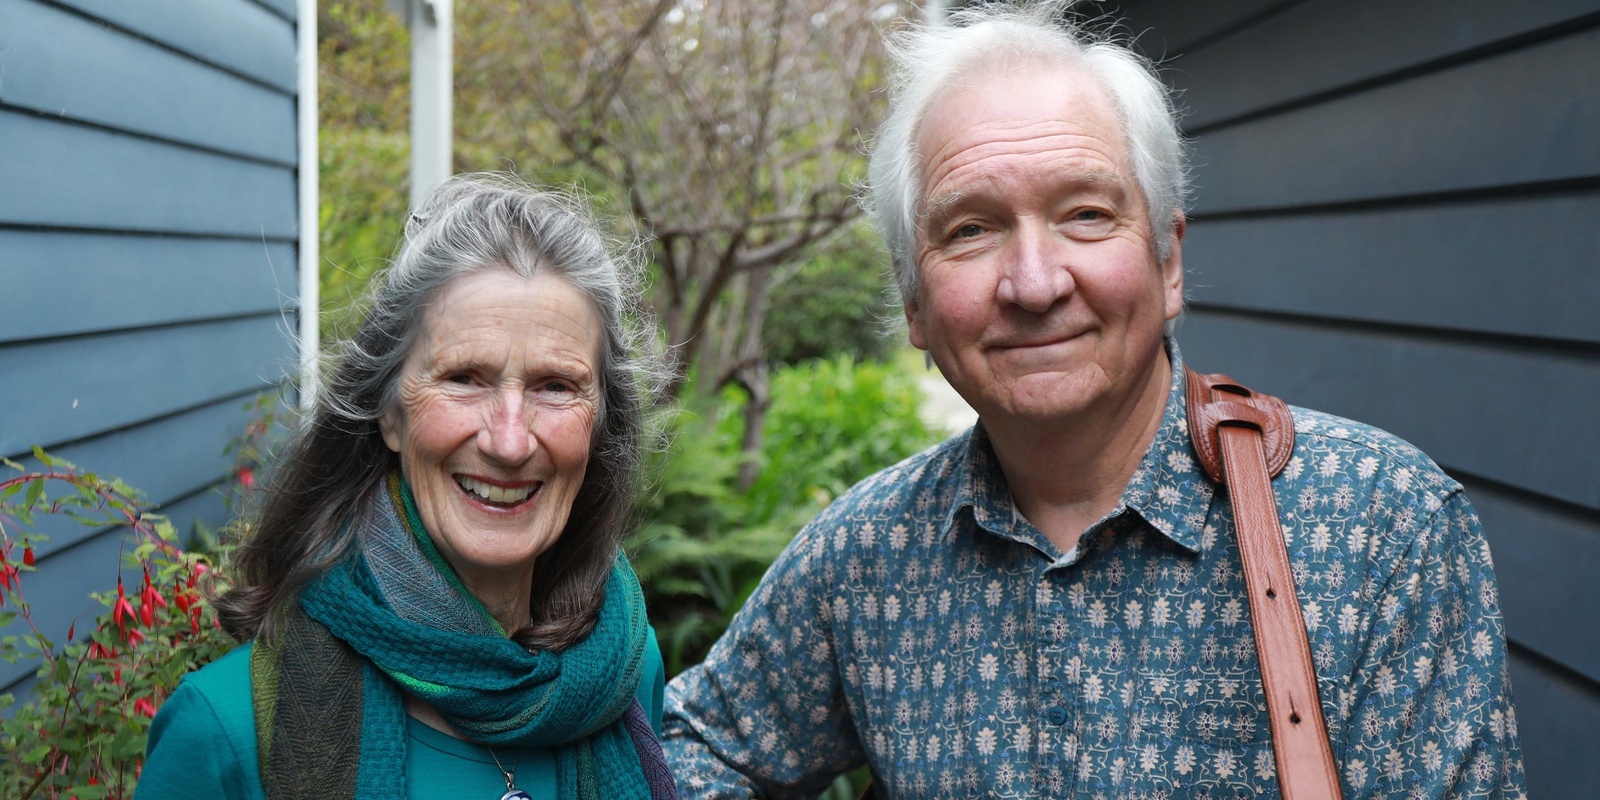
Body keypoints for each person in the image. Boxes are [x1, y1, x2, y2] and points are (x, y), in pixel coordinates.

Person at [660, 3, 1526, 798]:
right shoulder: (860, 560)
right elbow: (695, 756)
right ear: (914, 304)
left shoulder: (1382, 527)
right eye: (971, 229)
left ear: (1169, 261)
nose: (1035, 284)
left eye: (1084, 214)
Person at [139, 174, 678, 800]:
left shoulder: (625, 672)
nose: (509, 441)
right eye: (465, 378)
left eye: (556, 386)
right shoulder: (221, 733)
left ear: (601, 424)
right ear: (389, 414)